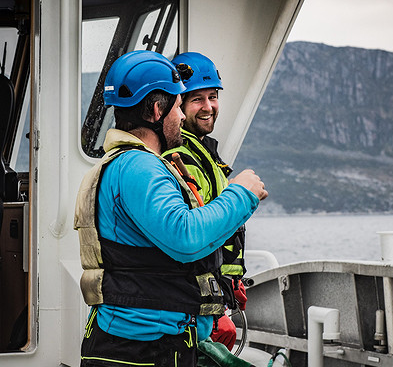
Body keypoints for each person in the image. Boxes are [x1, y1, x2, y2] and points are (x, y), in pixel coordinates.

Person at [74, 50, 267, 367]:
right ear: (155, 110)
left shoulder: (131, 165)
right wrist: (242, 194)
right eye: (178, 106)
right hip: (143, 349)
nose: (180, 117)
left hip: (143, 344)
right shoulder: (139, 167)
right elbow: (186, 236)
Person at [163, 52, 247, 351]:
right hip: (198, 308)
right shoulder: (181, 156)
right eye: (197, 98)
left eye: (213, 96)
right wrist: (215, 312)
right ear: (178, 105)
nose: (209, 107)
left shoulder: (204, 152)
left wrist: (232, 283)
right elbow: (196, 240)